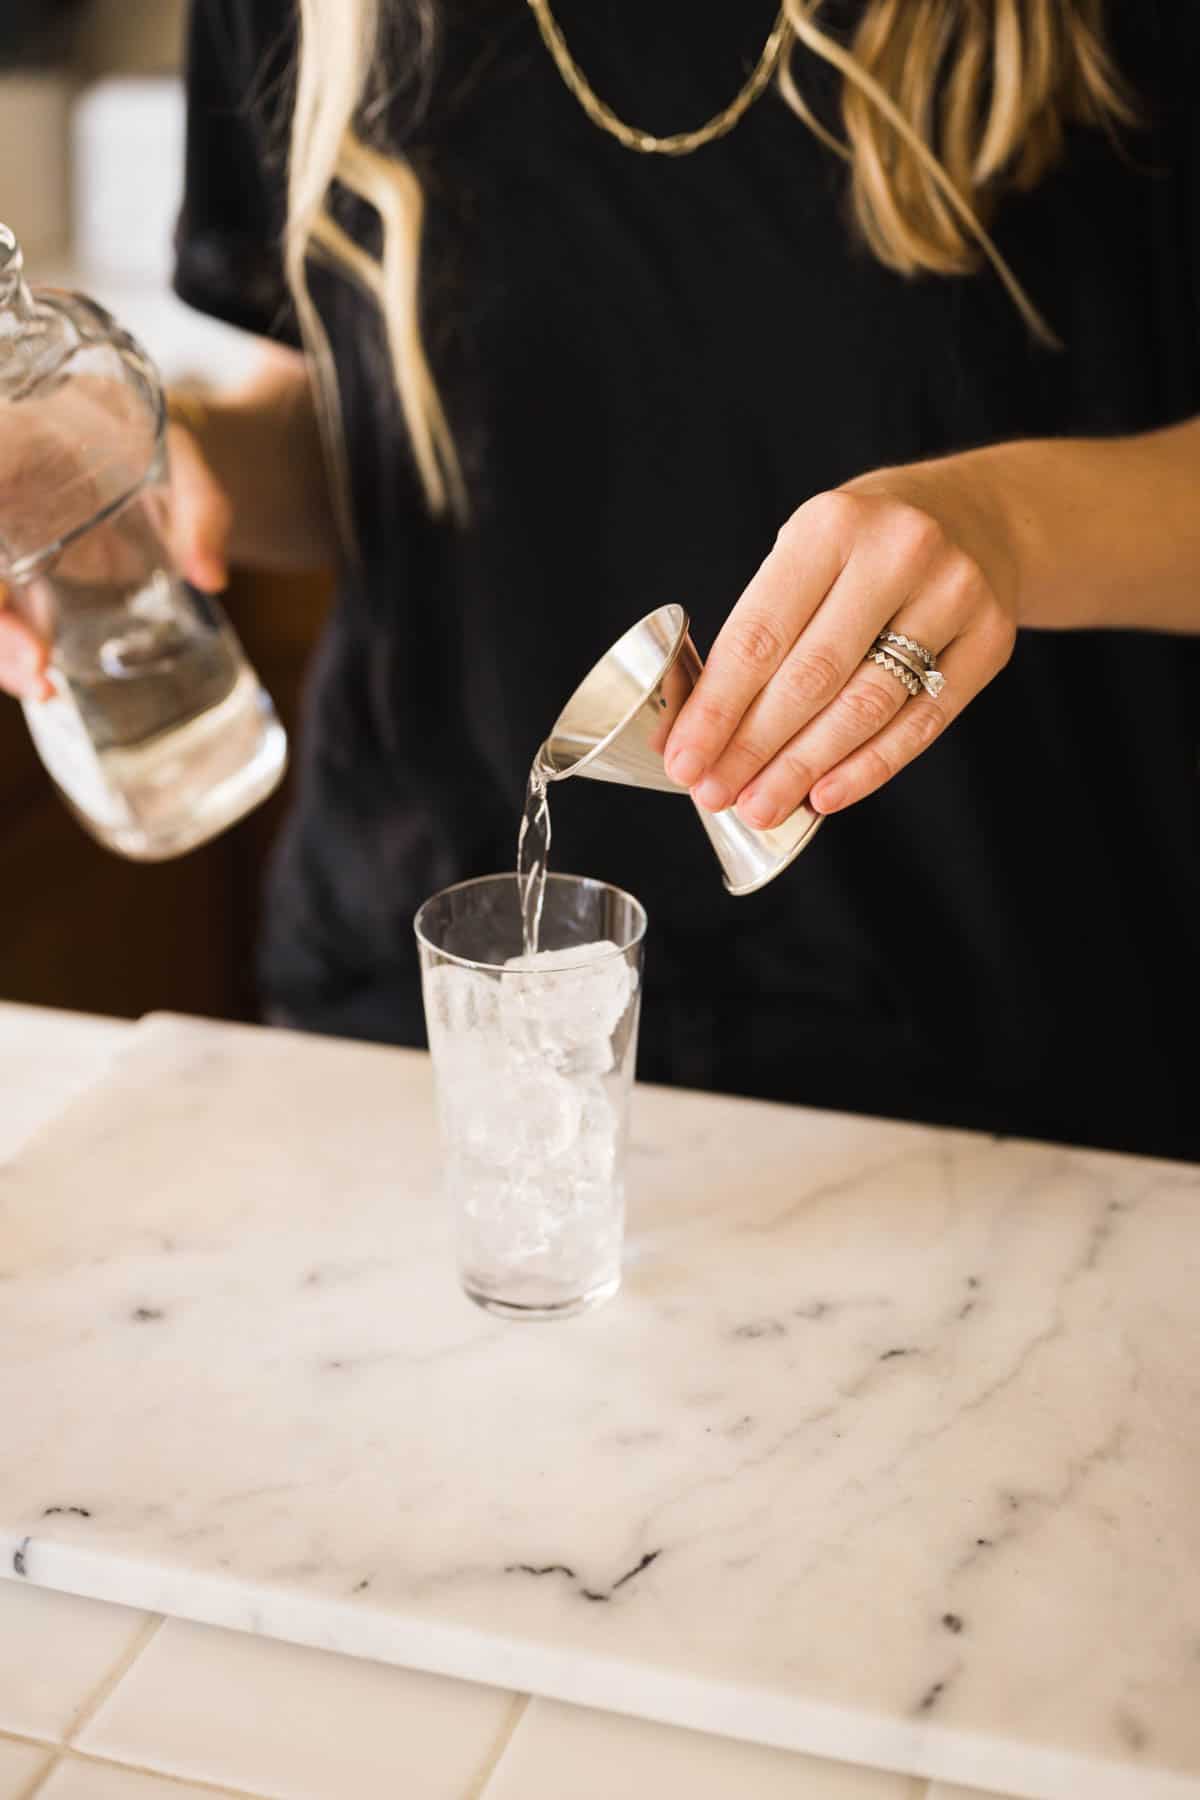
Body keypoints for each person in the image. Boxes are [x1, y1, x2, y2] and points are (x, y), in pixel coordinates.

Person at [1, 0, 1196, 1159]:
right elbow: (357, 432)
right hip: (422, 1029)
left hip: (1010, 1040)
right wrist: (153, 470)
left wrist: (1011, 527)